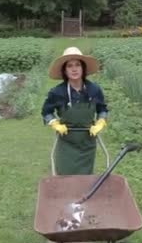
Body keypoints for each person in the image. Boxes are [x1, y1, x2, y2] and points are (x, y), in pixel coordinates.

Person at [41, 47, 109, 175]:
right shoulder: (57, 92)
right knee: (64, 179)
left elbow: (102, 109)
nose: (74, 69)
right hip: (66, 142)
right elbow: (46, 112)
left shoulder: (94, 90)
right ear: (65, 71)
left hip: (87, 141)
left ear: (83, 68)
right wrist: (55, 124)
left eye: (77, 65)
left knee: (85, 179)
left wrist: (101, 122)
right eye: (69, 66)